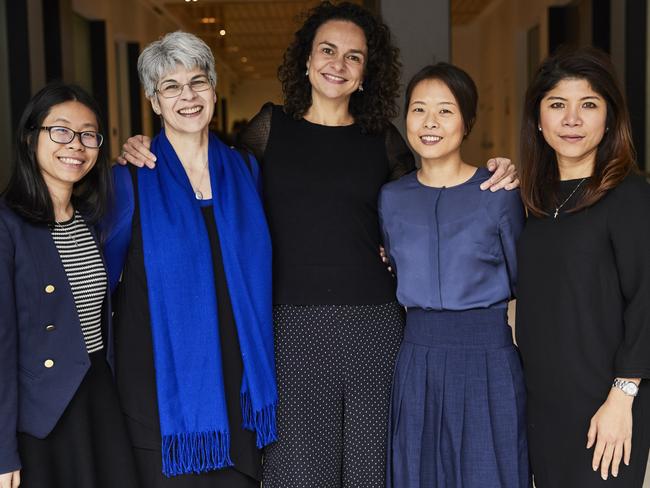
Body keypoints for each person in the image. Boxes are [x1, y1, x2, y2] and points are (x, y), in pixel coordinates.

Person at [118, 4, 518, 486]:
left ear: (367, 72)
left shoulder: (382, 140)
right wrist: (143, 146)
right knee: (297, 471)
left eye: (354, 56)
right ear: (306, 61)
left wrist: (493, 171)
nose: (338, 64)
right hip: (290, 327)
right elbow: (212, 178)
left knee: (371, 469)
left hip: (375, 326)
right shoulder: (269, 129)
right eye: (327, 50)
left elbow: (426, 200)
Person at [102, 31, 277, 488]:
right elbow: (101, 280)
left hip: (240, 387)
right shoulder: (130, 181)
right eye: (171, 87)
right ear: (154, 102)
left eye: (197, 82)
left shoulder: (245, 169)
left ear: (214, 91)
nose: (188, 96)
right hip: (162, 390)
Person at [379, 63, 529, 488]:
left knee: (489, 473)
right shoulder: (391, 198)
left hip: (488, 358)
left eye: (445, 111)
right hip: (418, 357)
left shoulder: (498, 194)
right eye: (418, 109)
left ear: (467, 122)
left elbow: (524, 280)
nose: (429, 123)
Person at [516, 46, 650, 487]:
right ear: (538, 118)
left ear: (609, 118)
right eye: (557, 105)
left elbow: (647, 300)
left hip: (609, 405)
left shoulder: (629, 196)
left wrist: (622, 397)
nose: (572, 119)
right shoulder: (532, 201)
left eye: (588, 105)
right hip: (545, 405)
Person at [0, 83, 139, 488]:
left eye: (88, 134)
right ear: (31, 138)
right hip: (43, 415)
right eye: (60, 131)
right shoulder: (9, 226)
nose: (75, 145)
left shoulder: (94, 220)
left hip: (99, 396)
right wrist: (2, 449)